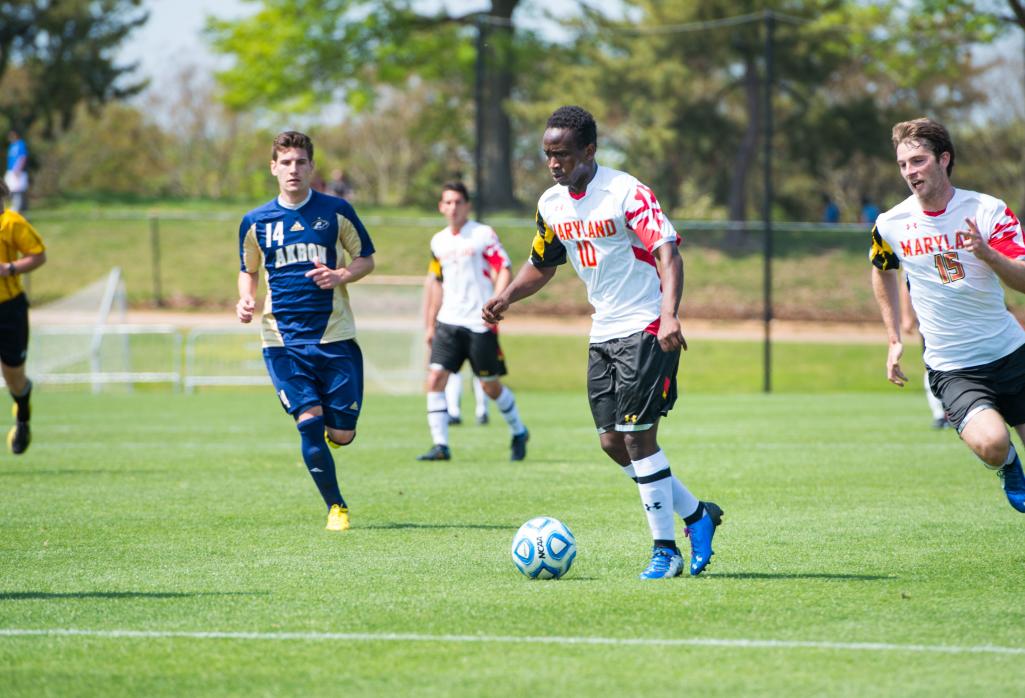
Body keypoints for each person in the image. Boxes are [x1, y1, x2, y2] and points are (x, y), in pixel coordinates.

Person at [482, 106, 723, 579]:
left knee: (638, 437)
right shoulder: (551, 203)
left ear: (589, 151)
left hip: (648, 324)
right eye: (548, 155)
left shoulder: (626, 192)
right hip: (604, 331)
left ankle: (665, 550)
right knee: (612, 442)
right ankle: (697, 514)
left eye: (564, 154)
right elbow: (543, 263)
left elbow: (667, 253)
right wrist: (506, 295)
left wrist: (670, 314)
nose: (555, 164)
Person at [871, 116, 1025, 512]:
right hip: (953, 366)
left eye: (918, 161)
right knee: (993, 444)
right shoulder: (891, 223)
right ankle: (1009, 464)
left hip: (1012, 354)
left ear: (944, 159)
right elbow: (882, 269)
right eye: (903, 164)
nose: (910, 172)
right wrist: (892, 338)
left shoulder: (988, 210)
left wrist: (989, 255)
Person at [237, 131, 376, 531]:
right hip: (281, 341)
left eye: (300, 162)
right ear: (273, 168)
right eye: (286, 162)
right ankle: (336, 507)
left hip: (334, 337)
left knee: (343, 434)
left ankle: (333, 437)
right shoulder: (255, 222)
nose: (293, 169)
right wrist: (245, 299)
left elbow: (366, 259)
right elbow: (248, 271)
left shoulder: (336, 211)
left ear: (311, 167)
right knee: (308, 421)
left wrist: (340, 274)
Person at [418, 181, 528, 461]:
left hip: (479, 324)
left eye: (458, 202)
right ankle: (440, 445)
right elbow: (437, 282)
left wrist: (497, 301)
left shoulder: (482, 235)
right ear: (441, 207)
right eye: (448, 202)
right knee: (435, 379)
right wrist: (431, 323)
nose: (453, 207)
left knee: (490, 386)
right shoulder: (438, 241)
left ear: (467, 205)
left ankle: (518, 430)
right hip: (448, 322)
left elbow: (503, 267)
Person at [0, 177, 46, 454]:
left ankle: (23, 418)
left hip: (9, 309)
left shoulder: (12, 223)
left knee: (14, 378)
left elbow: (38, 255)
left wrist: (11, 268)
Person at [898, 272, 949, 429]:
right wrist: (907, 316)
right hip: (932, 321)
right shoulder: (918, 250)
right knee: (933, 362)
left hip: (965, 319)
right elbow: (906, 280)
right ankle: (940, 414)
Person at [5, 130, 29, 213]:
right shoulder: (11, 145)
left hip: (17, 172)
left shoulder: (20, 144)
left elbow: (23, 157)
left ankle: (18, 210)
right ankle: (14, 208)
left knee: (18, 192)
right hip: (11, 171)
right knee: (8, 190)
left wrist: (18, 169)